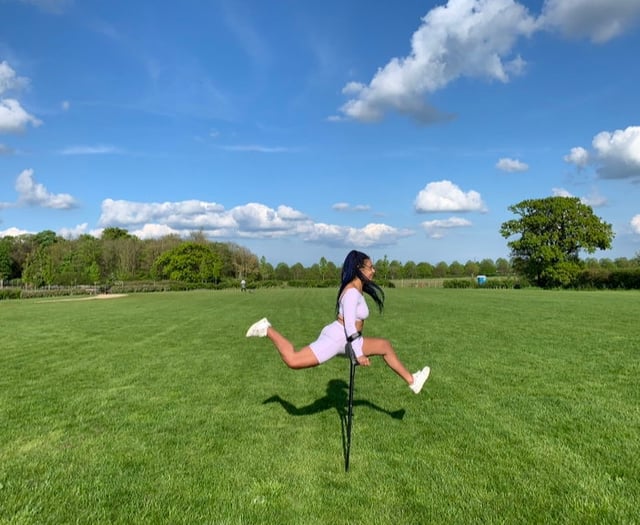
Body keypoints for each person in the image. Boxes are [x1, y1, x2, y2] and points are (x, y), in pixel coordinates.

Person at [246, 250, 430, 394]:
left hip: (345, 338)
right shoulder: (351, 292)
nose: (374, 270)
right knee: (293, 360)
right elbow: (350, 325)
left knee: (384, 345)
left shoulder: (357, 289)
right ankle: (267, 329)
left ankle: (413, 381)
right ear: (359, 268)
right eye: (370, 267)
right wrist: (358, 353)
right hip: (339, 338)